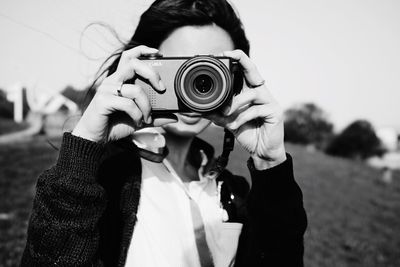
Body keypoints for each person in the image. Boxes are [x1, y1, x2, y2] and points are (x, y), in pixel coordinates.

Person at [21, 0, 307, 266]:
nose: (195, 83)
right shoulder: (105, 179)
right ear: (145, 64)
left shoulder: (235, 192)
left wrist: (271, 165)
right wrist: (84, 150)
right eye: (181, 67)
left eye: (210, 69)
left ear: (235, 79)